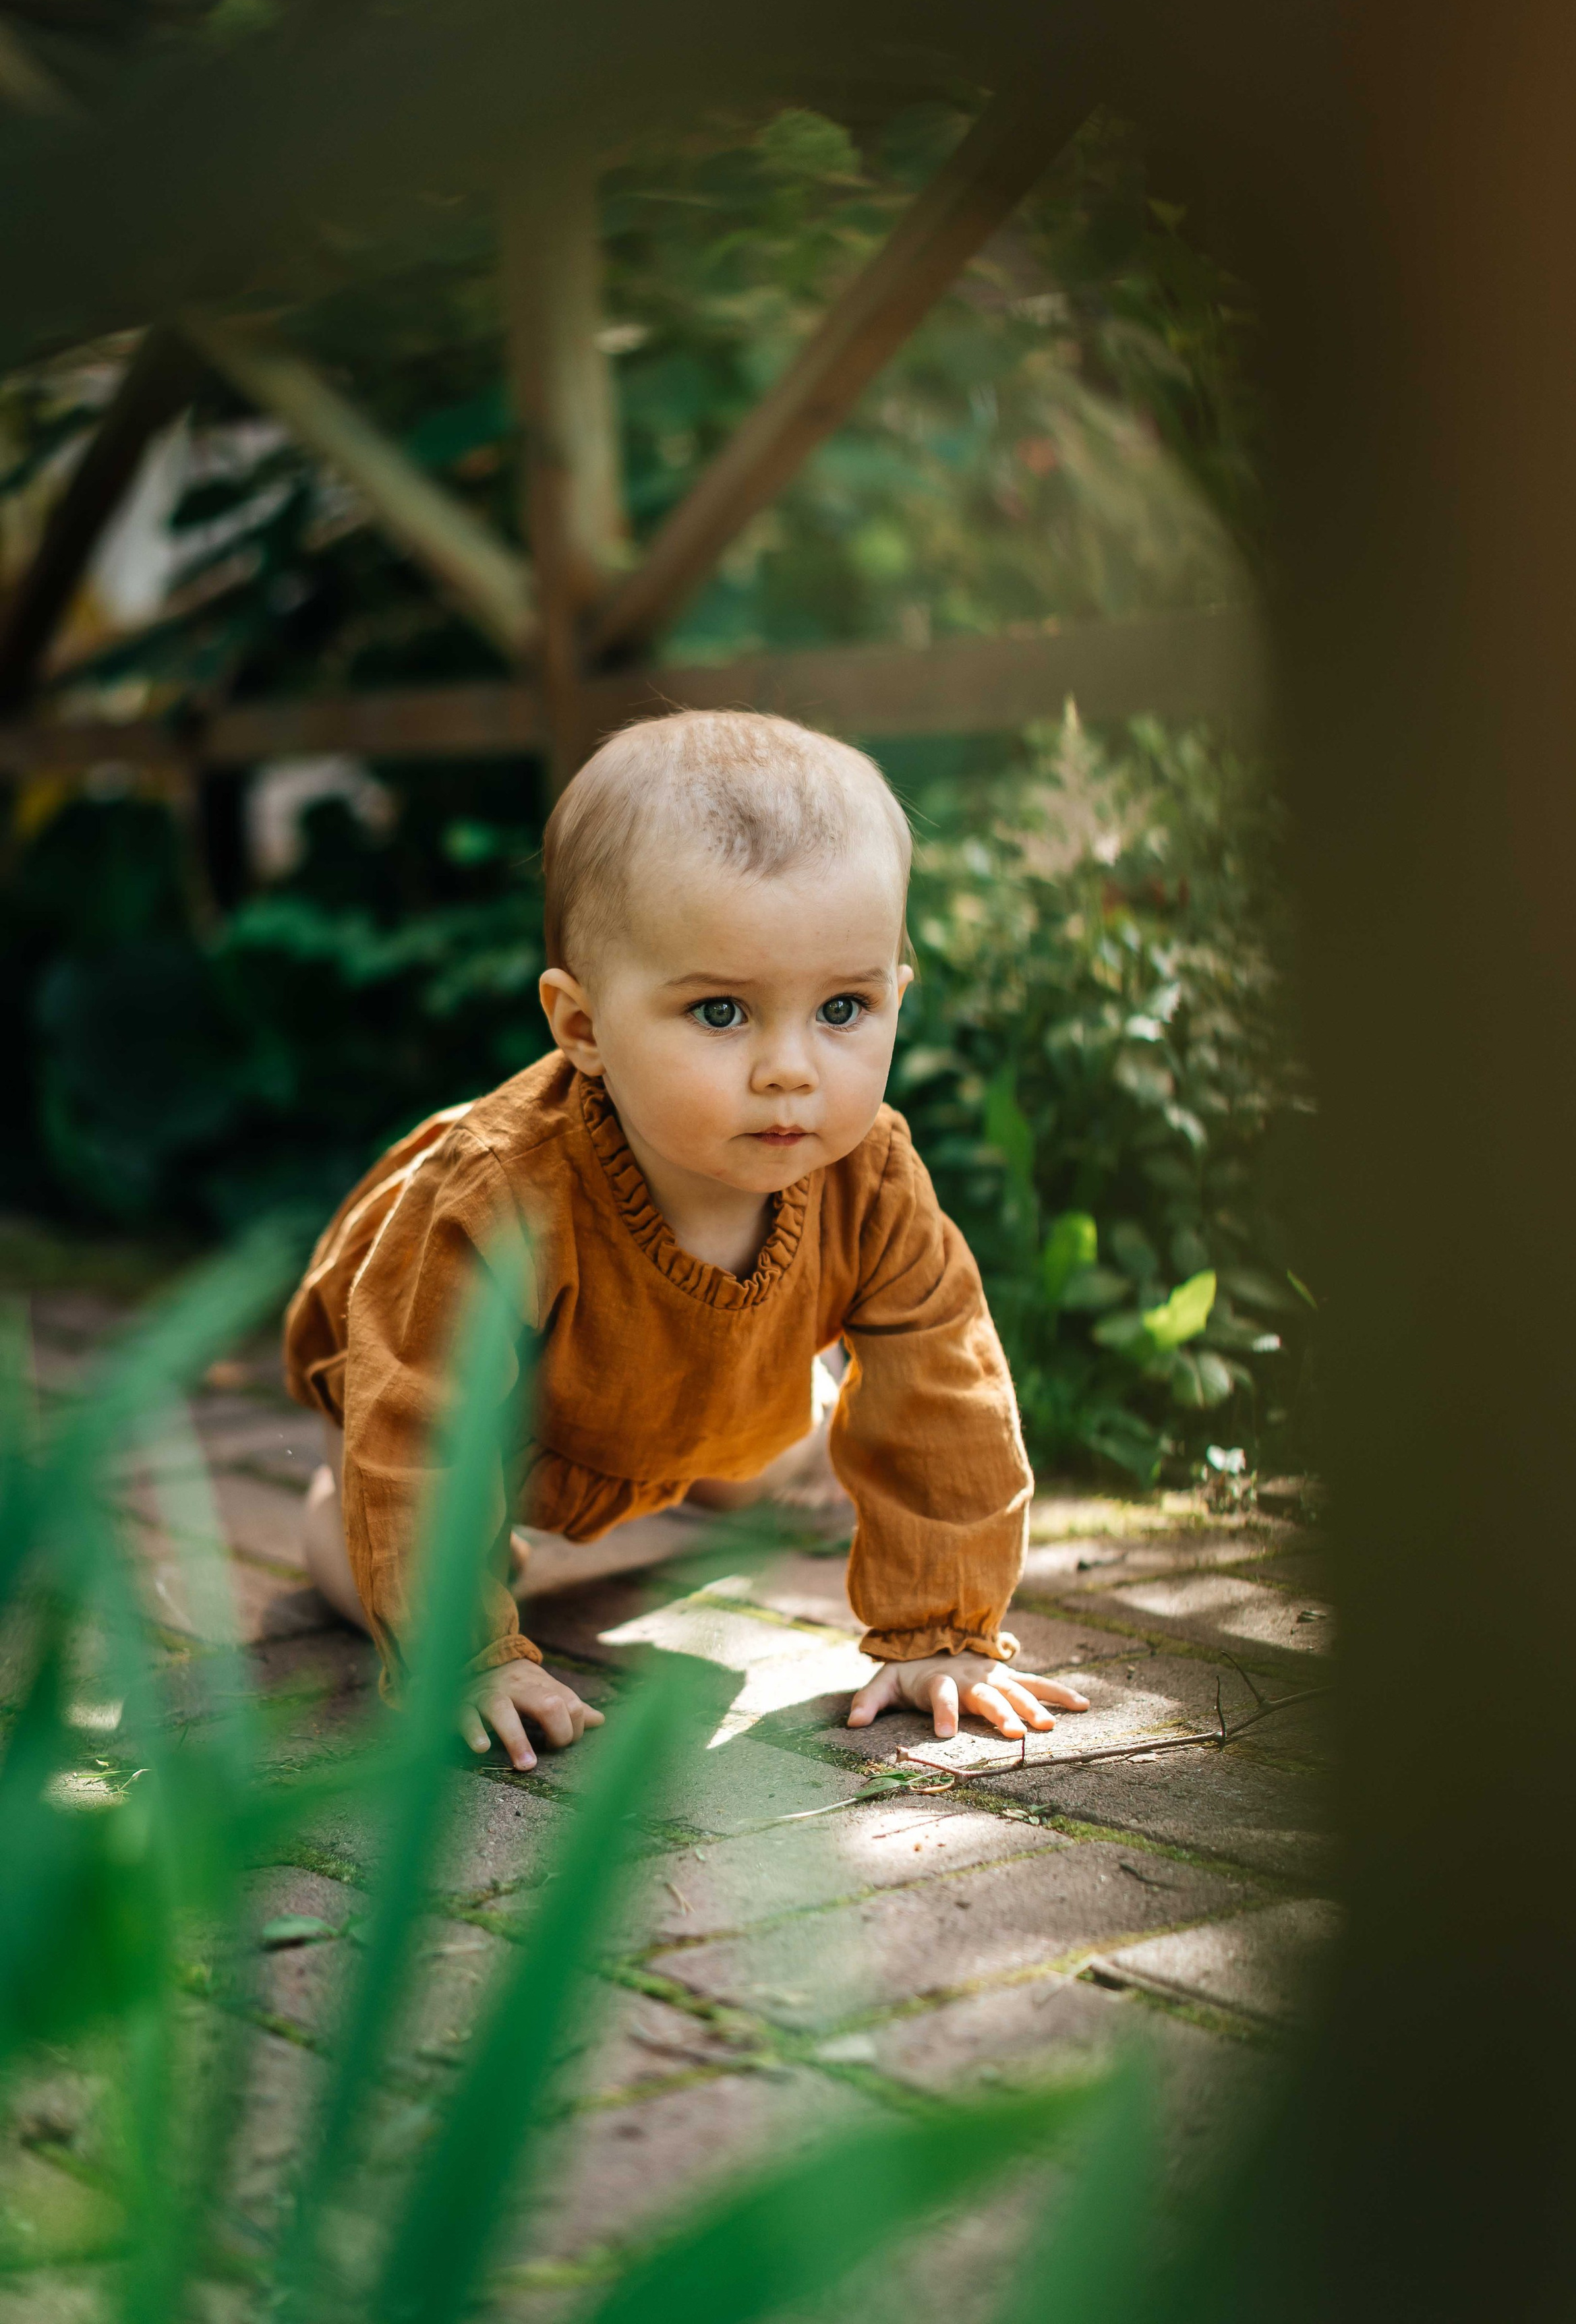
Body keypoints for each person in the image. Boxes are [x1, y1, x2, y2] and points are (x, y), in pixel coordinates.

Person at [284, 709, 1088, 1771]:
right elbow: (419, 1418)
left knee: (761, 1448)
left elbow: (948, 1385)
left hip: (701, 1397)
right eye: (721, 1013)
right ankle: (344, 1522)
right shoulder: (499, 1195)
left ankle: (790, 1428)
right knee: (382, 1543)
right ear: (582, 1029)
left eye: (843, 1008)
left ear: (898, 996)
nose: (791, 1069)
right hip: (500, 1428)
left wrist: (946, 1629)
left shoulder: (872, 1177)